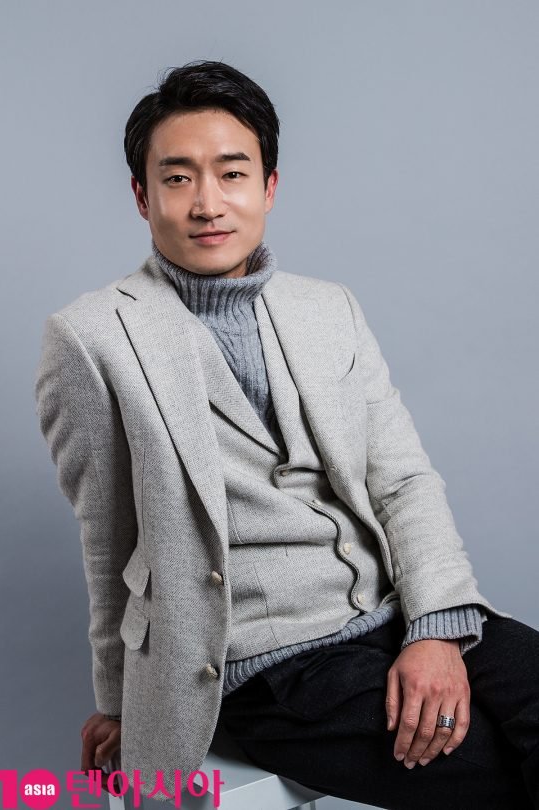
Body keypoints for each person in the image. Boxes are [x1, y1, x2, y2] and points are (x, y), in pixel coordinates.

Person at [34, 60, 539, 809]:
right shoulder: (91, 338)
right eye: (178, 178)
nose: (208, 203)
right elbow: (108, 541)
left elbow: (403, 481)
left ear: (269, 186)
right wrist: (118, 703)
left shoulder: (329, 308)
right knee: (484, 767)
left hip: (395, 610)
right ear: (143, 196)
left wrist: (434, 629)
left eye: (232, 173)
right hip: (266, 665)